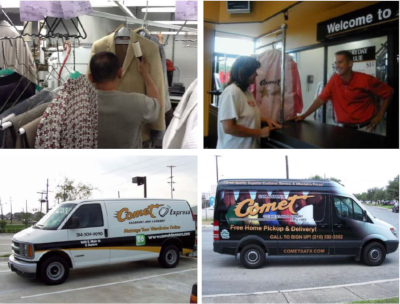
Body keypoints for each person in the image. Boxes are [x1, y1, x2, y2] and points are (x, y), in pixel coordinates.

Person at [295, 50, 393, 132]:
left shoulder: (366, 80)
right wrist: (304, 115)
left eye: (340, 62)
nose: (337, 65)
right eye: (336, 63)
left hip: (364, 129)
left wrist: (380, 115)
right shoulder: (334, 80)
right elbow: (320, 99)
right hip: (341, 129)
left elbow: (389, 92)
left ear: (350, 63)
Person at [88, 51, 161, 148]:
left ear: (90, 77)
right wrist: (145, 73)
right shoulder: (137, 103)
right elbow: (157, 104)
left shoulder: (77, 104)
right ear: (120, 72)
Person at [217, 56, 281, 149]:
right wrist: (260, 132)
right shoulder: (231, 92)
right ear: (244, 73)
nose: (256, 74)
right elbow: (228, 128)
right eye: (253, 71)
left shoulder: (247, 91)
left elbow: (245, 116)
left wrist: (266, 120)